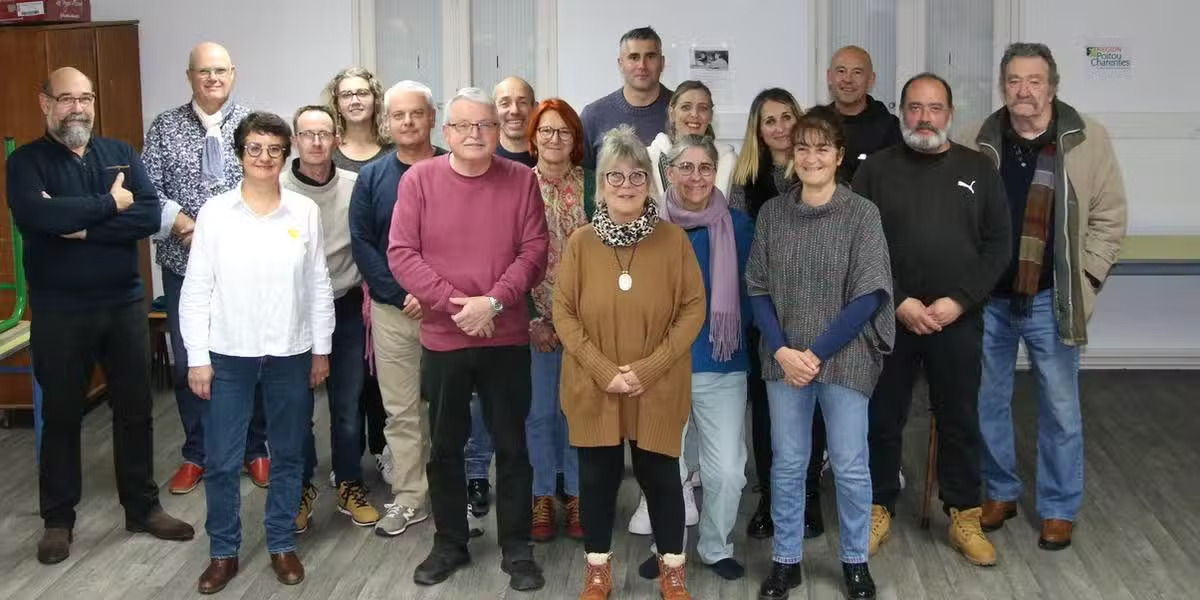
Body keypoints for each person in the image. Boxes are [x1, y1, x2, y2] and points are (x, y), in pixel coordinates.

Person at [7, 66, 194, 566]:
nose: (78, 108)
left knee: (135, 410)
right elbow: (37, 217)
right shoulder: (26, 163)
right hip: (59, 310)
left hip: (124, 303)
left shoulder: (120, 153)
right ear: (45, 103)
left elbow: (147, 215)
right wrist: (110, 203)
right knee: (62, 415)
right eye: (66, 98)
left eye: (85, 98)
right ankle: (58, 521)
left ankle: (142, 508)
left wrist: (82, 224)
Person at [961, 42, 1127, 551]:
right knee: (987, 401)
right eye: (1014, 80)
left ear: (1052, 86)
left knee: (1060, 409)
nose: (1024, 90)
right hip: (989, 300)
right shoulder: (977, 140)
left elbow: (1109, 216)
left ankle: (1058, 507)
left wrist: (1087, 278)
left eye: (1034, 80)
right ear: (1002, 86)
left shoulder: (1087, 139)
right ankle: (1000, 491)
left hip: (1052, 299)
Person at [389, 87, 549, 591]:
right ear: (446, 132)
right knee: (445, 449)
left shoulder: (522, 180)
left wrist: (494, 302)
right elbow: (402, 253)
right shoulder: (419, 180)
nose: (474, 134)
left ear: (498, 130)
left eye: (484, 125)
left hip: (505, 338)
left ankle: (517, 549)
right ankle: (450, 543)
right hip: (444, 337)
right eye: (463, 125)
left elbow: (534, 252)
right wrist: (458, 305)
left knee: (513, 447)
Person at [852, 73, 1011, 566]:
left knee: (960, 418)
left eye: (935, 108)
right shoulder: (875, 171)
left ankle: (964, 512)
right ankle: (877, 506)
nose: (925, 118)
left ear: (950, 114)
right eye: (915, 108)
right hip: (889, 316)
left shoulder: (979, 169)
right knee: (882, 416)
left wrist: (960, 301)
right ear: (901, 112)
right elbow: (858, 244)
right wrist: (898, 300)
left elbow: (998, 246)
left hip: (955, 319)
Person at [180, 112, 335, 593]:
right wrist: (197, 357)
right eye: (254, 148)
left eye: (274, 149)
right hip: (229, 355)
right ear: (240, 154)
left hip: (291, 352)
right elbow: (197, 289)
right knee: (223, 460)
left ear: (285, 155)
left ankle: (281, 543)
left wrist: (321, 350)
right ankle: (223, 552)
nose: (264, 157)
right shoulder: (215, 213)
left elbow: (318, 284)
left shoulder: (303, 212)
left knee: (288, 454)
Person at [554, 125, 705, 600]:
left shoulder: (673, 241)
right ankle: (597, 570)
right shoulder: (580, 243)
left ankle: (672, 570)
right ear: (601, 185)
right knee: (597, 482)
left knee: (662, 480)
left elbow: (693, 309)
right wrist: (605, 372)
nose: (626, 185)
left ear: (649, 183)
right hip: (592, 384)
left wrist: (648, 369)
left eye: (637, 175)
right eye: (615, 176)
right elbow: (563, 313)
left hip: (657, 384)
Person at [749, 106, 894, 600]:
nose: (812, 157)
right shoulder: (773, 214)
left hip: (844, 358)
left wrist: (814, 352)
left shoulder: (862, 214)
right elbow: (757, 288)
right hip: (784, 361)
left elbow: (870, 295)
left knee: (851, 465)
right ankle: (786, 560)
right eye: (803, 148)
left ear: (838, 155)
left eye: (822, 148)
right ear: (793, 155)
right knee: (789, 464)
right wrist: (784, 351)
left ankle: (855, 561)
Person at [142, 42, 268, 494]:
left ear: (233, 73)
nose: (213, 78)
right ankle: (198, 453)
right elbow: (147, 188)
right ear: (189, 76)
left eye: (220, 70)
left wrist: (223, 234)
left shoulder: (253, 124)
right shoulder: (165, 126)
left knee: (250, 357)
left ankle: (255, 448)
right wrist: (185, 225)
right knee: (188, 361)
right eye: (203, 71)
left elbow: (267, 184)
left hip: (244, 266)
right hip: (183, 262)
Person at [349, 80, 446, 537]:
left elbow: (466, 241)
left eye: (416, 113)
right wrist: (397, 294)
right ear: (387, 122)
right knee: (402, 411)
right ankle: (409, 497)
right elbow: (363, 243)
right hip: (393, 312)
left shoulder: (455, 168)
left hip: (446, 311)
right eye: (399, 115)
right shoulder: (372, 177)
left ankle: (453, 493)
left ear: (432, 118)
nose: (408, 122)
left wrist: (431, 295)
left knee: (449, 409)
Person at [656, 134, 755, 582]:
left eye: (705, 168)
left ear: (716, 173)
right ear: (669, 172)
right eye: (686, 167)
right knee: (664, 468)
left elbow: (754, 294)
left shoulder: (738, 226)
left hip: (721, 363)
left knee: (728, 471)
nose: (696, 177)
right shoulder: (650, 225)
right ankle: (667, 547)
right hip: (662, 366)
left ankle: (715, 546)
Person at [281, 105, 380, 532]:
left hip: (346, 307)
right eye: (308, 134)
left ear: (337, 140)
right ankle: (301, 487)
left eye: (325, 134)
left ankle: (349, 482)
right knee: (297, 406)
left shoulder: (357, 186)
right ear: (295, 141)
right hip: (295, 312)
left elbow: (370, 242)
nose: (317, 142)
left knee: (347, 404)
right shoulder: (279, 189)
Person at [462, 75, 540, 514]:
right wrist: (486, 302)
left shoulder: (545, 155)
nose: (514, 110)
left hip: (532, 301)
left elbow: (535, 247)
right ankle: (476, 472)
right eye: (504, 102)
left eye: (522, 101)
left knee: (526, 403)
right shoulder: (477, 160)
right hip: (483, 306)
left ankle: (536, 479)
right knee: (479, 400)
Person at [727, 87, 802, 540]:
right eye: (769, 120)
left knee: (809, 408)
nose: (779, 127)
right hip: (764, 310)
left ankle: (808, 495)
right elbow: (741, 248)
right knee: (766, 410)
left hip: (812, 307)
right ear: (757, 129)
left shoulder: (816, 169)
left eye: (786, 117)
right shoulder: (744, 180)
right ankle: (770, 497)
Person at [525, 98, 596, 542]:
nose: (554, 139)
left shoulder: (595, 185)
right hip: (534, 322)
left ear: (576, 140)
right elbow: (506, 256)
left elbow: (608, 253)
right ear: (533, 138)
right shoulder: (517, 184)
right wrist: (534, 319)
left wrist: (582, 322)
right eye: (546, 131)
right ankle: (540, 495)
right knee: (538, 413)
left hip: (586, 323)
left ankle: (576, 494)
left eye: (563, 131)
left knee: (577, 411)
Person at [580, 26, 672, 168]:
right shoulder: (593, 117)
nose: (642, 65)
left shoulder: (685, 112)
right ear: (620, 63)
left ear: (662, 62)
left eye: (650, 57)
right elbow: (582, 178)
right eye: (634, 57)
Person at [647, 80, 737, 201]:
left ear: (710, 116)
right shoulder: (648, 159)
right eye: (686, 107)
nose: (694, 114)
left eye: (703, 108)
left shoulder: (728, 160)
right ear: (672, 114)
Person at [826, 45, 902, 181]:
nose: (847, 79)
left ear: (871, 80)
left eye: (857, 72)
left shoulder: (890, 128)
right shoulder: (816, 124)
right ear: (829, 76)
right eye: (841, 71)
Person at [325, 67, 395, 171]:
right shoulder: (327, 152)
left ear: (376, 100)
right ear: (337, 105)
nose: (355, 101)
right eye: (346, 95)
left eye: (362, 93)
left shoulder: (395, 150)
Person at [495, 76, 538, 166]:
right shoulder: (484, 160)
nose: (515, 111)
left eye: (522, 103)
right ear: (494, 110)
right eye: (505, 103)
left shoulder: (549, 159)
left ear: (535, 108)